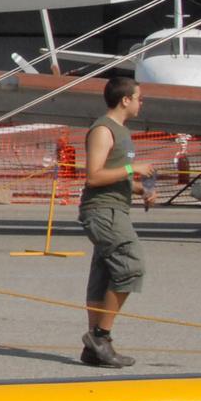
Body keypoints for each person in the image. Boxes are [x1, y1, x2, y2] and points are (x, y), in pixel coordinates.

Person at [77, 76, 154, 368]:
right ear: (125, 100)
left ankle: (94, 349)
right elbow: (94, 176)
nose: (140, 102)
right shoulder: (103, 130)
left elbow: (114, 176)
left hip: (116, 208)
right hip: (103, 211)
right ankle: (100, 336)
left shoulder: (122, 131)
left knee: (104, 276)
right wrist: (132, 168)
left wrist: (141, 189)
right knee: (130, 266)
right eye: (139, 97)